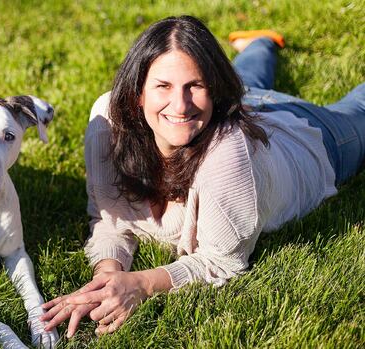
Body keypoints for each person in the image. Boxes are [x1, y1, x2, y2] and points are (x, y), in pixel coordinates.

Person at [40, 15, 365, 338]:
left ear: (213, 90)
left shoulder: (227, 152)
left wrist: (139, 284)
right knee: (248, 83)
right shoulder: (109, 123)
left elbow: (222, 261)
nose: (179, 104)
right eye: (163, 86)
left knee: (359, 110)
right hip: (241, 103)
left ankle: (261, 51)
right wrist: (106, 279)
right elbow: (109, 219)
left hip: (313, 139)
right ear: (138, 92)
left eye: (195, 85)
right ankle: (262, 42)